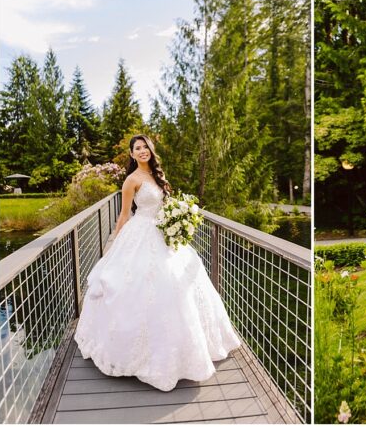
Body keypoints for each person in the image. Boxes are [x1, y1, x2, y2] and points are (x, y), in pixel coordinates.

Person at [74, 135, 241, 391]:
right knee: (139, 285)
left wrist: (178, 219)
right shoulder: (131, 181)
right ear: (131, 154)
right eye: (137, 148)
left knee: (179, 282)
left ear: (151, 150)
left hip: (163, 234)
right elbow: (124, 214)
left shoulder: (157, 175)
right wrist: (116, 247)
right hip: (140, 233)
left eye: (145, 147)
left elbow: (165, 206)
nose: (142, 151)